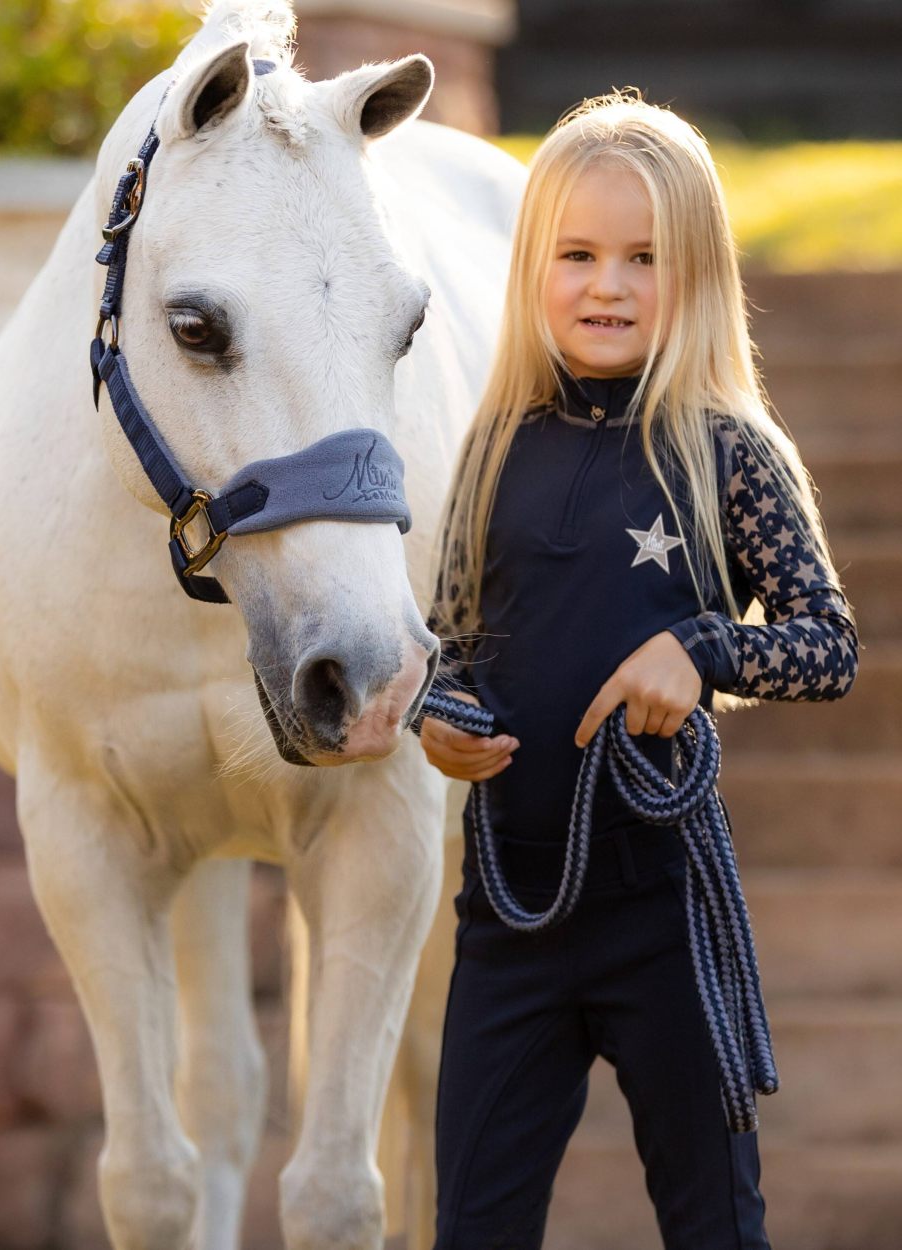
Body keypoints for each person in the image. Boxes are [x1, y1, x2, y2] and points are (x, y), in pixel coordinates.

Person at [417, 91, 858, 1250]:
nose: (606, 284)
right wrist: (439, 719)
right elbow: (451, 640)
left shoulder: (726, 449)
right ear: (532, 266)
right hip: (507, 914)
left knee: (715, 1225)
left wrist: (700, 648)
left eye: (643, 258)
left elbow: (828, 644)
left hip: (663, 911)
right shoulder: (493, 447)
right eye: (576, 254)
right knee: (471, 1226)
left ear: (695, 272)